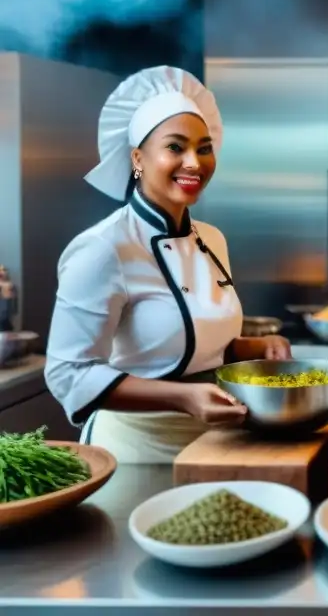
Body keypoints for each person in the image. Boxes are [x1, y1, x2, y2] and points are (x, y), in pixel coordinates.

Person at [45, 66, 292, 464]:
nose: (194, 162)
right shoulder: (103, 247)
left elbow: (193, 347)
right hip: (135, 449)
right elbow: (68, 373)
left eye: (204, 147)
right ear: (138, 158)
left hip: (215, 441)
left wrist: (255, 348)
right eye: (175, 147)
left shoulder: (212, 239)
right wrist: (184, 397)